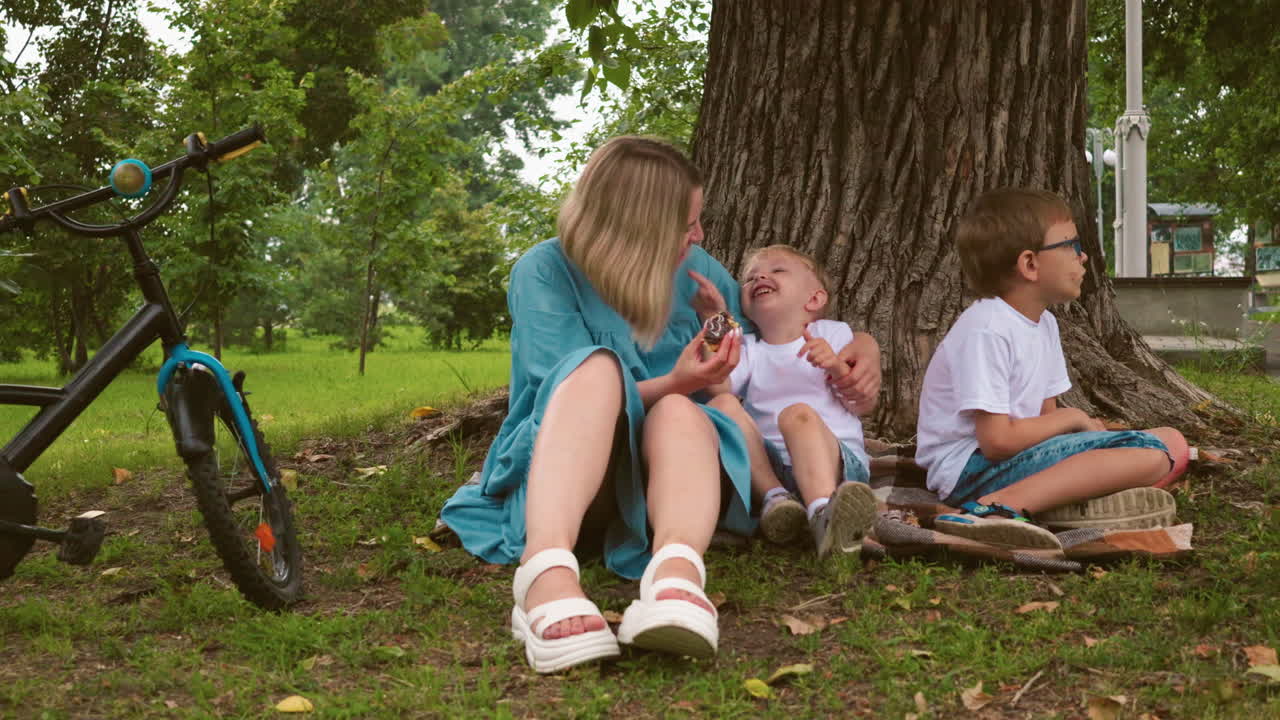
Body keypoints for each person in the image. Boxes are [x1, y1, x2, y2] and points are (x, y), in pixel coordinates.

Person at [438, 136, 752, 674]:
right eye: (686, 224)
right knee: (597, 369)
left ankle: (676, 575)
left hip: (674, 475)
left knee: (679, 412)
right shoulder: (545, 270)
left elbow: (772, 338)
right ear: (638, 223)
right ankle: (545, 572)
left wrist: (858, 354)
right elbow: (568, 402)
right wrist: (676, 379)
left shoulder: (697, 270)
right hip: (575, 479)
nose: (697, 235)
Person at [916, 188, 1188, 549]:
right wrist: (1073, 420)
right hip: (969, 471)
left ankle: (1058, 500)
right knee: (1154, 454)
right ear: (1030, 264)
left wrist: (1080, 435)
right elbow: (996, 442)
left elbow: (1044, 421)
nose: (1084, 257)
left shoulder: (1044, 325)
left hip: (1014, 459)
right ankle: (989, 510)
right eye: (1072, 246)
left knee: (1171, 440)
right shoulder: (987, 328)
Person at [705, 245, 881, 559]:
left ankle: (824, 514)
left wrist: (836, 366)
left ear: (814, 299)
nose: (759, 276)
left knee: (797, 415)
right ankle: (776, 502)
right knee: (722, 406)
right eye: (749, 278)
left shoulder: (834, 335)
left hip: (834, 466)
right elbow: (719, 384)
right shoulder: (749, 347)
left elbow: (861, 404)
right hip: (770, 469)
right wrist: (714, 320)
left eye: (777, 270)